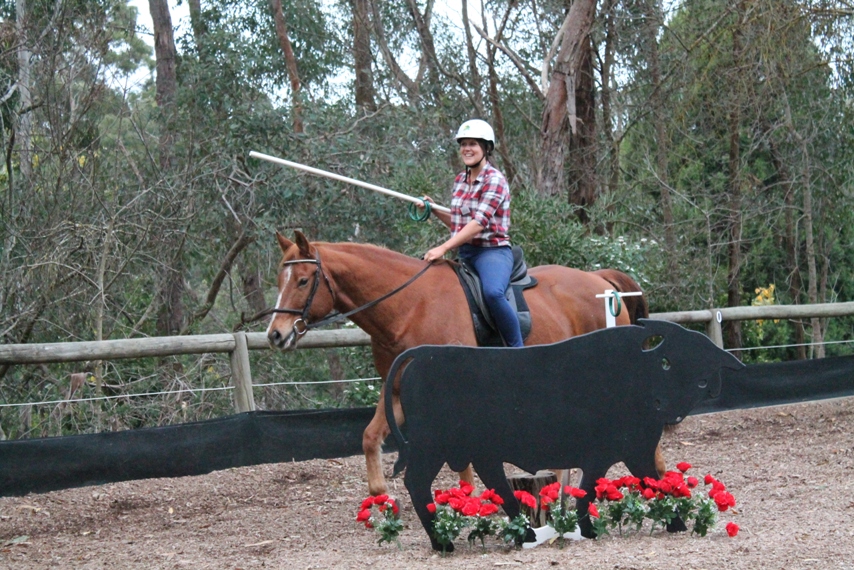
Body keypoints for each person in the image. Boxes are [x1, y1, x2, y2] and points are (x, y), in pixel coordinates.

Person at [420, 119, 523, 348]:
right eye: (463, 144)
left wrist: (443, 247)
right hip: (466, 253)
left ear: (486, 148)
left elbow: (478, 223)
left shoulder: (495, 179)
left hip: (492, 252)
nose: (467, 149)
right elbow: (459, 224)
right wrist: (433, 208)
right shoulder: (460, 180)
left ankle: (518, 350)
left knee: (493, 293)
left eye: (473, 144)